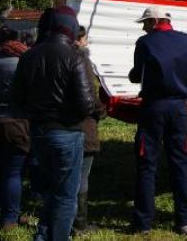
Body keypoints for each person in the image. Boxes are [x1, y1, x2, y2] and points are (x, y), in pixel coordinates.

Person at [13, 6, 97, 241]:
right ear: (70, 27)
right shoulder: (75, 57)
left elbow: (16, 99)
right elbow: (87, 104)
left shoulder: (29, 55)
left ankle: (44, 235)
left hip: (39, 132)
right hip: (68, 132)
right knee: (66, 195)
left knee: (51, 189)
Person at [128, 6, 187, 235]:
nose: (144, 28)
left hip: (154, 107)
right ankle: (184, 221)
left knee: (147, 163)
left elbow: (137, 73)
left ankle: (143, 222)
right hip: (179, 108)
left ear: (156, 21)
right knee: (180, 163)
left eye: (146, 23)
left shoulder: (145, 43)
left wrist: (134, 74)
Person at [0, 26, 30, 230]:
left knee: (0, 166)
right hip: (16, 121)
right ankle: (10, 217)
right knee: (14, 172)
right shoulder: (22, 63)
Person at [73, 25, 107, 234]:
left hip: (56, 127)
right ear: (81, 40)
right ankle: (79, 223)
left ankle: (62, 220)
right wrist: (101, 111)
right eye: (86, 39)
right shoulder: (81, 59)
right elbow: (89, 97)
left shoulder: (52, 55)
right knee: (81, 175)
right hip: (82, 126)